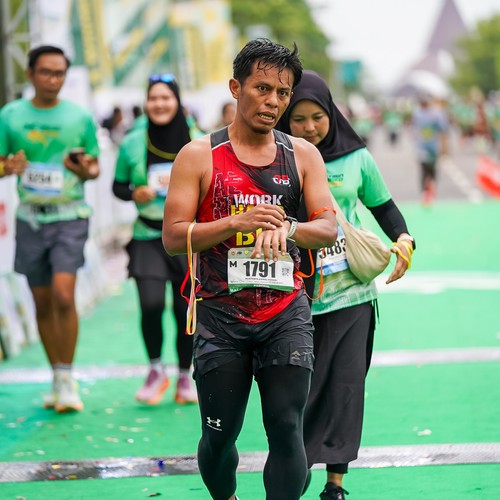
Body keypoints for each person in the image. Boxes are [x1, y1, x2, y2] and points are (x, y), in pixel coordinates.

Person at [162, 39, 337, 500]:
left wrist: (290, 228)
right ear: (236, 88)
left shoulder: (303, 155)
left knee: (286, 425)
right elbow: (173, 236)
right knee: (219, 435)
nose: (273, 102)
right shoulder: (199, 155)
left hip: (285, 313)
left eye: (283, 93)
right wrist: (233, 224)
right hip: (220, 317)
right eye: (262, 88)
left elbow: (328, 228)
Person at [276, 70, 415, 500]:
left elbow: (383, 207)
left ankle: (335, 483)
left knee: (346, 388)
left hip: (352, 294)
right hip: (291, 297)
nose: (309, 127)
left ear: (332, 114)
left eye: (317, 117)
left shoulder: (356, 158)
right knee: (298, 392)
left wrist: (404, 238)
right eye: (298, 119)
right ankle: (293, 469)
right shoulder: (275, 159)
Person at [0, 45, 100, 413]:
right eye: (45, 72)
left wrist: (82, 169)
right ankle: (57, 376)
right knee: (41, 301)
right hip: (30, 218)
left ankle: (68, 376)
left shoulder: (79, 116)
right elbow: (1, 163)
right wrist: (7, 167)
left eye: (59, 73)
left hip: (70, 216)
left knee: (62, 294)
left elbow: (94, 168)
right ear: (30, 74)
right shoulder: (10, 115)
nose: (53, 79)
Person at [112, 73, 198, 405]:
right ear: (146, 103)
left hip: (187, 237)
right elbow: (118, 187)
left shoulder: (197, 140)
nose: (159, 104)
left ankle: (184, 375)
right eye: (153, 98)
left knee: (184, 310)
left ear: (177, 101)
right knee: (150, 304)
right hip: (148, 235)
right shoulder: (133, 141)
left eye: (166, 98)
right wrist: (135, 192)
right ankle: (155, 370)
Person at [412, 93, 449, 205]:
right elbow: (415, 129)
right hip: (421, 147)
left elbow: (443, 131)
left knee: (432, 170)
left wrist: (444, 147)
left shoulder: (437, 114)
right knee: (424, 168)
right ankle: (424, 193)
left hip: (433, 147)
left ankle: (432, 188)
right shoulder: (417, 113)